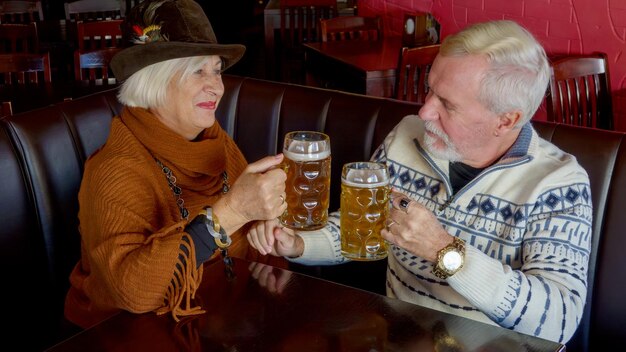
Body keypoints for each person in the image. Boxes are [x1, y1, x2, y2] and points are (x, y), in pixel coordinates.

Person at [247, 19, 592, 344]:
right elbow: (363, 229)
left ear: (506, 120)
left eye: (447, 104)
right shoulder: (407, 137)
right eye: (430, 91)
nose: (424, 112)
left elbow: (558, 318)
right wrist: (299, 245)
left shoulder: (558, 185)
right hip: (395, 337)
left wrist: (444, 251)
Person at [64, 0, 288, 329]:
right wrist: (234, 212)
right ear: (154, 80)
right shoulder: (114, 169)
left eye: (216, 69)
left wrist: (267, 225)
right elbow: (132, 292)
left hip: (218, 318)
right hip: (125, 334)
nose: (217, 85)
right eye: (198, 71)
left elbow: (249, 234)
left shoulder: (214, 140)